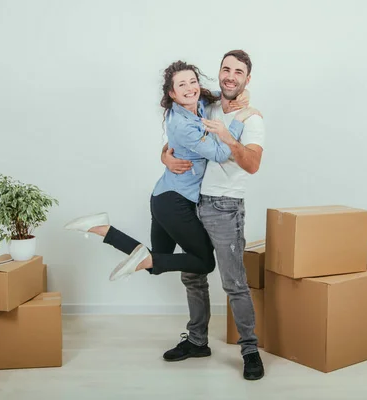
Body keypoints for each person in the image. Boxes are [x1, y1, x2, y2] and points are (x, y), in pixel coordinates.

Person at [64, 60, 260, 283]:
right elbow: (219, 153)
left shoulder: (198, 102)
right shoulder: (182, 125)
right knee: (205, 262)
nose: (189, 89)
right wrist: (238, 121)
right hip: (175, 202)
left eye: (193, 82)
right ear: (172, 93)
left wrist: (245, 95)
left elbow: (220, 94)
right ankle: (105, 230)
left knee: (158, 257)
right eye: (182, 85)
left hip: (162, 196)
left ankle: (102, 228)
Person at [161, 50, 266, 381]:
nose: (230, 76)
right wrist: (165, 157)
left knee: (233, 282)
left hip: (225, 207)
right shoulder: (207, 103)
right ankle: (197, 341)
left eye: (238, 72)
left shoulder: (252, 119)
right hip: (193, 202)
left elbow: (252, 164)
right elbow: (178, 135)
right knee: (192, 274)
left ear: (247, 79)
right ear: (219, 73)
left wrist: (227, 136)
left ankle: (249, 350)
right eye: (226, 69)